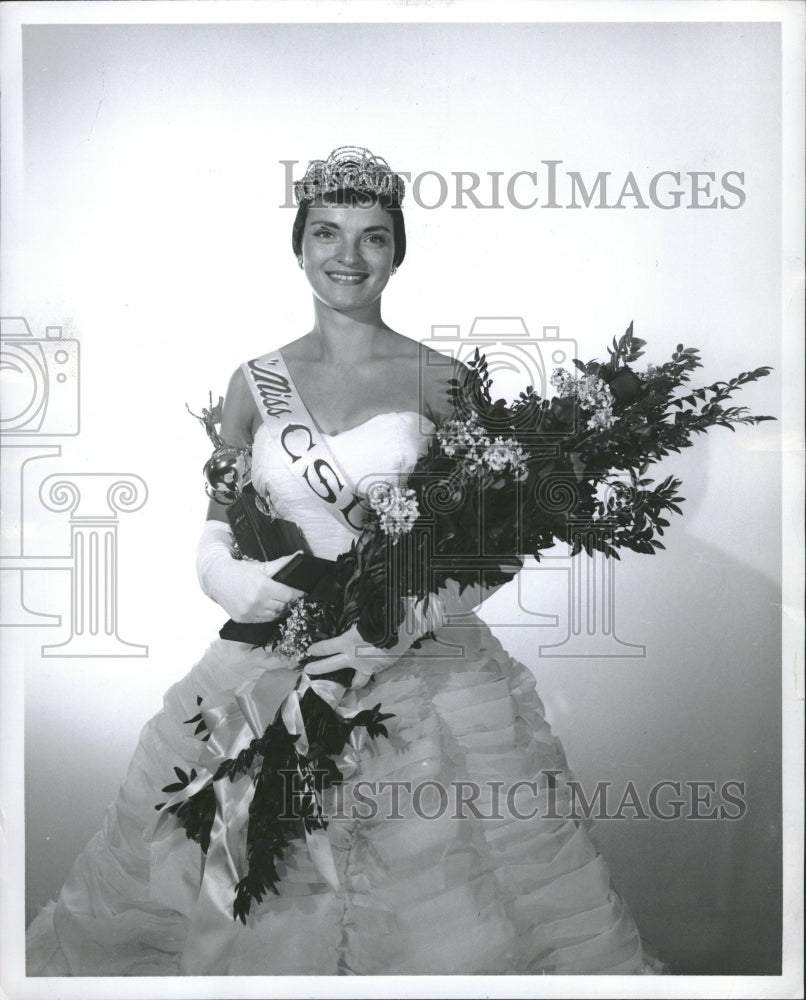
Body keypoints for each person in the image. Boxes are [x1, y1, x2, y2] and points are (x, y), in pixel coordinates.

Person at [26, 147, 663, 976]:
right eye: (327, 233)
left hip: (413, 667)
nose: (348, 257)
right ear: (298, 247)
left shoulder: (443, 381)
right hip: (269, 655)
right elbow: (219, 519)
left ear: (398, 252)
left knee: (437, 898)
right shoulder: (255, 383)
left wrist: (391, 629)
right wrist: (225, 574)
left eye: (372, 237)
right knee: (244, 870)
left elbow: (491, 544)